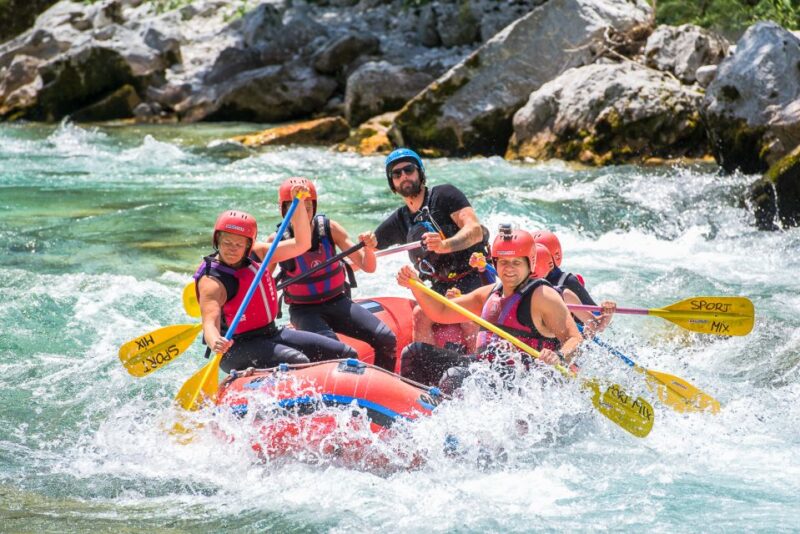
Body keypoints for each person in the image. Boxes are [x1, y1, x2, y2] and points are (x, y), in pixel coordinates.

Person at [396, 227, 614, 392]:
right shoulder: (490, 293)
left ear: (530, 263)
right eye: (503, 262)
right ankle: (417, 412)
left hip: (522, 379)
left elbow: (574, 338)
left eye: (516, 263)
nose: (509, 269)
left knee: (455, 376)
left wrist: (558, 356)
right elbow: (440, 313)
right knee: (414, 354)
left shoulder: (543, 297)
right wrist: (416, 285)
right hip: (484, 367)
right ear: (495, 262)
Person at [194, 197, 357, 374]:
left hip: (271, 334)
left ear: (249, 245)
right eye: (226, 242)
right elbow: (210, 322)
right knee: (299, 362)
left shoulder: (259, 253)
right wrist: (215, 341)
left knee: (345, 352)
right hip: (236, 348)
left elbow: (302, 244)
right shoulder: (212, 281)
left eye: (239, 244)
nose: (232, 248)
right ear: (217, 240)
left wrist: (300, 203)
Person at [263, 177, 397, 372]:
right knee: (340, 353)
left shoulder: (329, 229)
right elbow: (258, 285)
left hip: (338, 302)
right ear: (283, 210)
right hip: (304, 312)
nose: (302, 212)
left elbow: (368, 267)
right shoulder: (276, 242)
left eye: (307, 207)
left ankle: (386, 384)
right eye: (295, 207)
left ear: (314, 207)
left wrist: (369, 247)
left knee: (386, 338)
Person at [375, 148, 493, 349]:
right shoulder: (400, 219)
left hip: (474, 276)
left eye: (409, 169)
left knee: (464, 312)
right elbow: (365, 252)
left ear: (420, 173)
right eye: (397, 173)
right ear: (392, 183)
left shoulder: (444, 195)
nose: (404, 176)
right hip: (440, 284)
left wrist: (444, 245)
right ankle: (424, 371)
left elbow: (475, 230)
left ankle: (479, 367)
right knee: (420, 314)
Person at [531, 231, 614, 337]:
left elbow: (596, 321)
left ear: (552, 261)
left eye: (539, 258)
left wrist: (607, 312)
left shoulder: (568, 283)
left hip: (572, 336)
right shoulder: (523, 281)